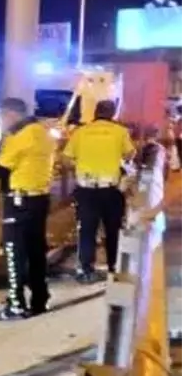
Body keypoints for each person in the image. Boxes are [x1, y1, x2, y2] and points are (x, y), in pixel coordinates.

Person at [0, 96, 55, 321]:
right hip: (40, 199)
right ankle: (39, 300)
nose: (2, 120)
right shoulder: (42, 133)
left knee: (14, 253)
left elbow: (1, 169)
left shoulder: (20, 137)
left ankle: (16, 305)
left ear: (11, 114)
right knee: (36, 253)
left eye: (2, 115)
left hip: (19, 202)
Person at [62, 99, 134, 283]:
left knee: (86, 230)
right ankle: (113, 267)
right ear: (112, 113)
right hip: (111, 190)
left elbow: (66, 159)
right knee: (113, 229)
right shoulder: (120, 132)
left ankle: (86, 270)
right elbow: (129, 154)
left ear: (95, 112)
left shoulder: (81, 132)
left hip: (86, 190)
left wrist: (81, 166)